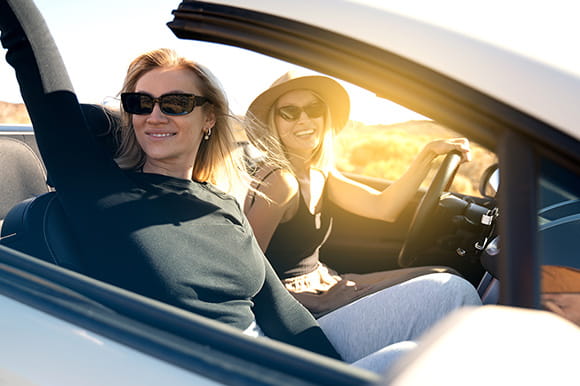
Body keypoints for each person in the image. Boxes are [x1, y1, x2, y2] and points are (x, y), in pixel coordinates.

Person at [243, 72, 482, 355]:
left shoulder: (320, 174)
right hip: (296, 306)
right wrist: (319, 302)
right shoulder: (279, 182)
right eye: (290, 112)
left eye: (314, 109)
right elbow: (245, 273)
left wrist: (427, 155)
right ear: (275, 122)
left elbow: (384, 208)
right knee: (454, 293)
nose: (304, 120)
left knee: (445, 272)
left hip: (326, 281)